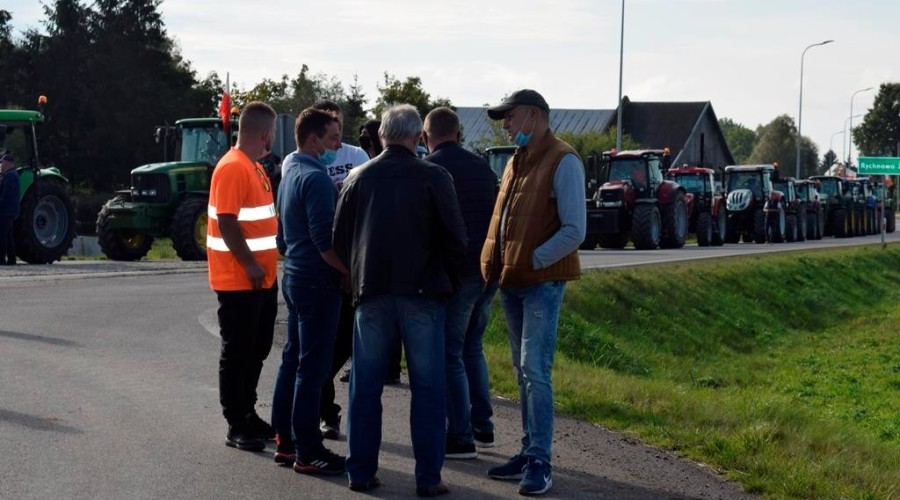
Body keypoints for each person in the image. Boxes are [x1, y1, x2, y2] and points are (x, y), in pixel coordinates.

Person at [334, 104, 467, 497]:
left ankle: (360, 471)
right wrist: (452, 280)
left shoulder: (356, 178)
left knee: (365, 386)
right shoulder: (435, 176)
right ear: (417, 138)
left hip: (371, 293)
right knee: (427, 388)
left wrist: (356, 276)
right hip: (424, 294)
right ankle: (428, 477)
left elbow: (339, 240)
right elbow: (456, 238)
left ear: (380, 137)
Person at [481, 89, 586, 496]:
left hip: (540, 283)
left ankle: (540, 460)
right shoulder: (516, 161)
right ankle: (527, 452)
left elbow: (575, 229)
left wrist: (535, 260)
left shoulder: (564, 159)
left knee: (535, 370)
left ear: (533, 115)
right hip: (513, 282)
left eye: (509, 117)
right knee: (522, 372)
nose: (505, 125)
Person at [270, 108, 349, 474]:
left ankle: (285, 441)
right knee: (312, 369)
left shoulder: (289, 174)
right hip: (318, 281)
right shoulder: (316, 179)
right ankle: (308, 450)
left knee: (293, 359)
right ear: (313, 139)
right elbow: (324, 241)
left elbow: (283, 238)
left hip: (295, 277)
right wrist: (347, 273)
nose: (338, 144)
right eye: (333, 137)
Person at [422, 108, 498, 459]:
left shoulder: (432, 171)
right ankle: (483, 423)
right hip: (487, 271)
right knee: (472, 347)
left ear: (426, 136)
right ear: (459, 133)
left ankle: (461, 436)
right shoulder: (483, 168)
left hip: (456, 275)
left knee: (450, 353)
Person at [303, 101, 378, 442]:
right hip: (323, 266)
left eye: (337, 130)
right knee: (321, 342)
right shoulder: (302, 163)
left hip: (351, 260)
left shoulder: (357, 158)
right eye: (329, 133)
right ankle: (326, 414)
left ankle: (320, 398)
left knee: (342, 342)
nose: (334, 142)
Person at [206, 101, 280, 453]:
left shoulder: (255, 168)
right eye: (273, 134)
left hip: (261, 279)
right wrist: (250, 263)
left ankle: (248, 412)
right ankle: (236, 422)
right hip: (240, 279)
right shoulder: (234, 167)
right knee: (238, 352)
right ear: (265, 134)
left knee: (258, 347)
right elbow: (227, 221)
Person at [0, 152, 20, 265]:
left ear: (7, 163)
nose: (1, 165)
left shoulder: (10, 176)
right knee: (8, 236)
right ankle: (12, 259)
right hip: (9, 211)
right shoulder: (12, 175)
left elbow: (6, 195)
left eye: (2, 163)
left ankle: (1, 259)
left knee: (2, 235)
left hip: (6, 211)